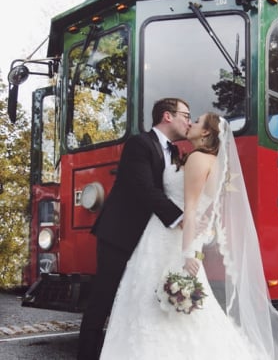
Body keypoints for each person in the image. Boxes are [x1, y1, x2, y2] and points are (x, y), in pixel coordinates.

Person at [99, 112, 278, 360]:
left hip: (168, 240)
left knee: (152, 304)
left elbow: (190, 212)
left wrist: (189, 254)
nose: (191, 123)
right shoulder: (213, 162)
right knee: (169, 309)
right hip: (177, 237)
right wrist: (196, 250)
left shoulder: (198, 159)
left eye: (197, 121)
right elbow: (206, 218)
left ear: (207, 133)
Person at [77, 98, 192, 360]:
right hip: (119, 235)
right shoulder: (139, 144)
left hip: (150, 239)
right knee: (102, 301)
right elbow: (143, 188)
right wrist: (180, 218)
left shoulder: (175, 152)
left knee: (136, 301)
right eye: (185, 115)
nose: (189, 120)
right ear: (167, 116)